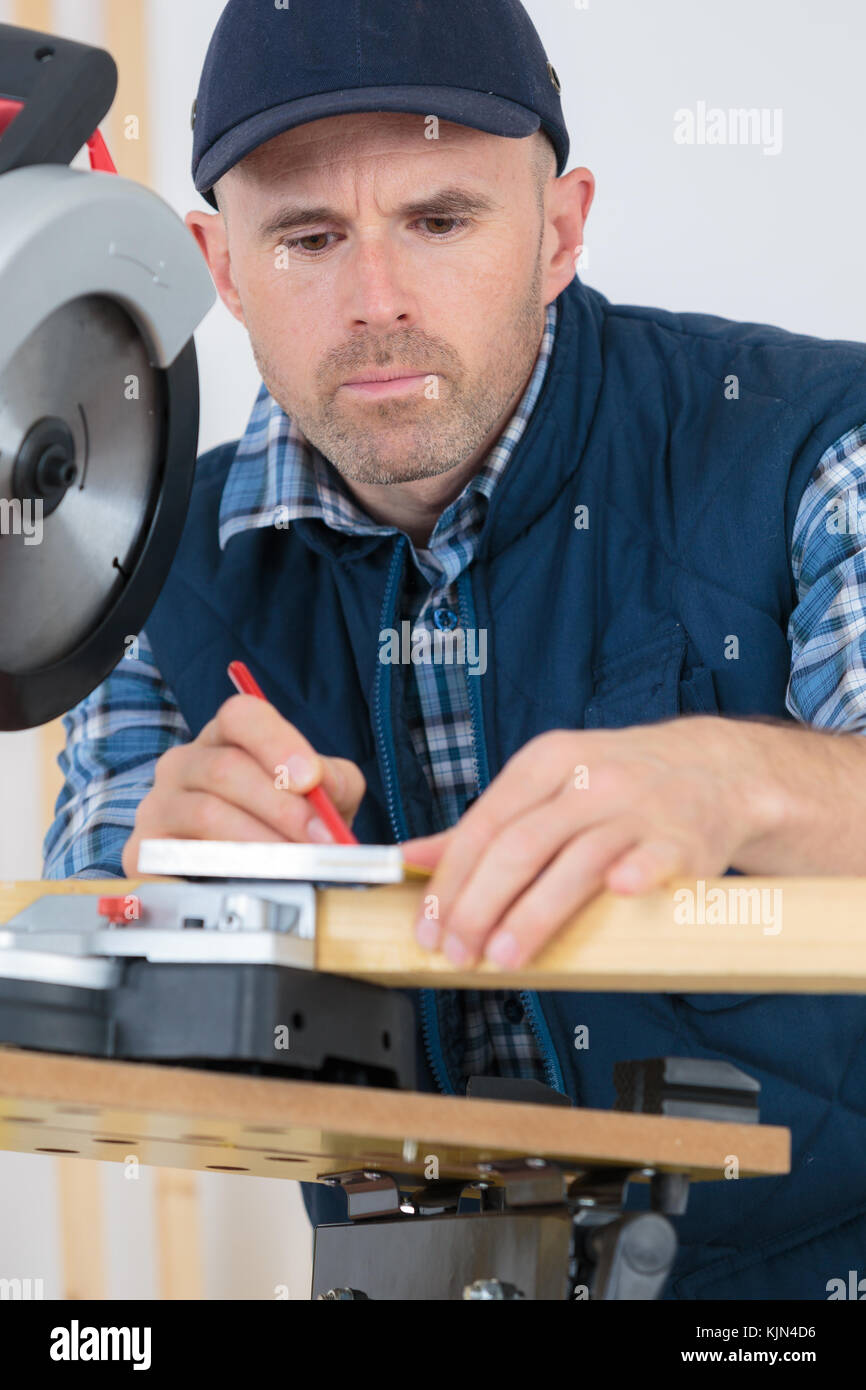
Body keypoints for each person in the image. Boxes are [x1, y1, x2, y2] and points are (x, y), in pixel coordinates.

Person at [44, 0, 866, 1299]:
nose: (376, 302)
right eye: (308, 238)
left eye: (438, 220)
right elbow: (89, 1045)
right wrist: (165, 905)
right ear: (221, 264)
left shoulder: (817, 440)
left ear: (560, 230)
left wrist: (748, 779)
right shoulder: (144, 553)